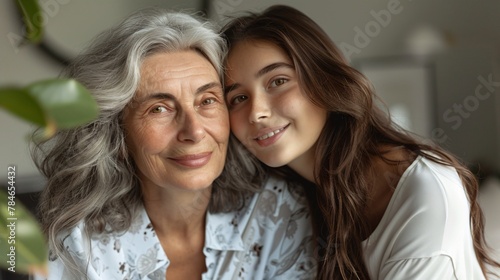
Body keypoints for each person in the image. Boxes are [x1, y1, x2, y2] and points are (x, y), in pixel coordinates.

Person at [31, 7, 317, 280]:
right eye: (159, 109)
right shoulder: (77, 245)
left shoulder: (278, 210)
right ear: (117, 134)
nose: (194, 131)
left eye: (207, 101)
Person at [221, 4, 500, 280]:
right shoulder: (289, 203)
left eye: (278, 81)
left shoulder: (423, 194)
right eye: (238, 98)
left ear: (324, 79)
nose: (257, 112)